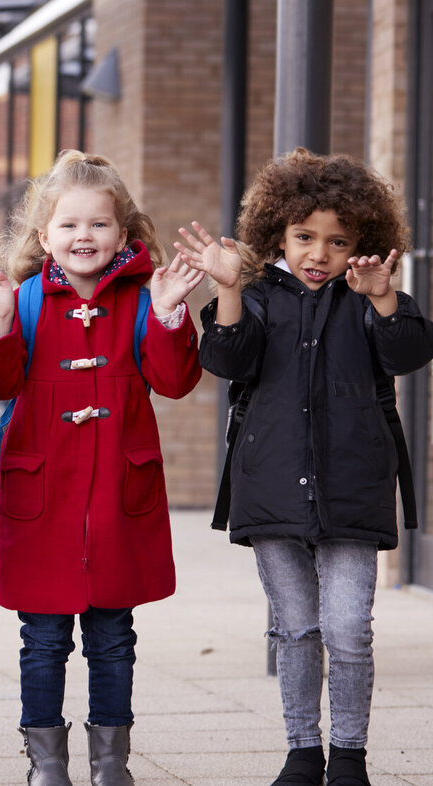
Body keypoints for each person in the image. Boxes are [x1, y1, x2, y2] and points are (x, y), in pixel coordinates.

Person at [174, 149, 433, 786]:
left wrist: (385, 300)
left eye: (337, 241)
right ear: (277, 234)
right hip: (272, 490)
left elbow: (409, 352)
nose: (319, 253)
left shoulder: (369, 297)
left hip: (354, 487)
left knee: (348, 629)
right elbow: (227, 359)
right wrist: (229, 289)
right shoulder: (258, 296)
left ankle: (348, 755)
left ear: (363, 245)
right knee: (294, 629)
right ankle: (301, 751)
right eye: (304, 237)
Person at [0, 150, 203, 786]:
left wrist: (173, 312)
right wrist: (1, 319)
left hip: (119, 495)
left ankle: (111, 765)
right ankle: (46, 765)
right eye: (68, 226)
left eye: (99, 225)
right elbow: (2, 379)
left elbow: (173, 381)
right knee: (42, 639)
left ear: (123, 235)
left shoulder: (144, 298)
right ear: (44, 237)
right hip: (43, 494)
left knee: (113, 636)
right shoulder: (25, 299)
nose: (84, 238)